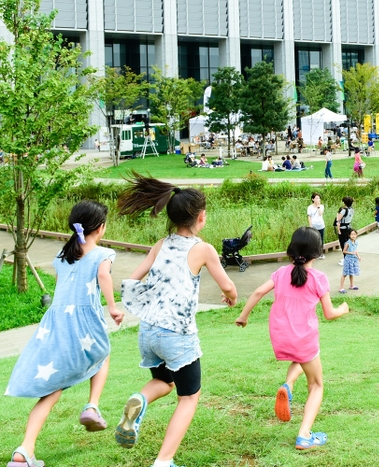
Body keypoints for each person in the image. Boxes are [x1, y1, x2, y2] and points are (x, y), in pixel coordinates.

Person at [115, 174, 238, 467]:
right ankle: (164, 461)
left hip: (148, 331)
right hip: (177, 335)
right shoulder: (203, 249)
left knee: (163, 381)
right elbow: (229, 286)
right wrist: (231, 298)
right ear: (201, 217)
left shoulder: (160, 244)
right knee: (188, 397)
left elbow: (134, 278)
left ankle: (139, 400)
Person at [4, 201, 123, 467]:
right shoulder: (103, 253)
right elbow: (104, 276)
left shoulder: (62, 254)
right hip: (84, 321)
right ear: (100, 228)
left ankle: (24, 452)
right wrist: (113, 307)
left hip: (55, 325)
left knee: (51, 390)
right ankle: (92, 406)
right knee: (103, 355)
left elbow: (62, 284)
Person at [235, 227, 349, 450]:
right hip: (304, 338)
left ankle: (287, 385)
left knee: (299, 359)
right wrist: (343, 308)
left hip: (281, 337)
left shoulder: (281, 273)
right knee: (316, 385)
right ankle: (304, 435)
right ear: (317, 253)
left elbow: (258, 292)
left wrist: (243, 316)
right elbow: (329, 314)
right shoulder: (318, 278)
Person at [335, 197, 354, 265]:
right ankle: (349, 258)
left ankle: (346, 259)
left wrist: (338, 213)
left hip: (343, 229)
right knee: (348, 243)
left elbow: (338, 219)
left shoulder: (344, 210)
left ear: (344, 203)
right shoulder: (351, 209)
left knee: (343, 244)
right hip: (348, 227)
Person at [307, 193, 326, 260]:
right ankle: (314, 253)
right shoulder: (309, 207)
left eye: (319, 198)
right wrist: (310, 225)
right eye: (316, 198)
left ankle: (320, 253)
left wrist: (318, 207)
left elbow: (320, 214)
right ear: (313, 199)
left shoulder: (322, 206)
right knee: (314, 240)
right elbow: (309, 216)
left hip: (321, 225)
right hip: (313, 225)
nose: (318, 199)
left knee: (321, 239)